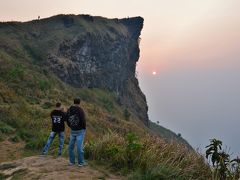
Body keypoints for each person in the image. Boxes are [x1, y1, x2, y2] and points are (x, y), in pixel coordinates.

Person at [66, 98, 86, 166]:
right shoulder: (80, 110)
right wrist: (84, 128)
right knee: (79, 147)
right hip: (80, 131)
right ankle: (81, 162)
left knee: (71, 147)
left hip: (73, 130)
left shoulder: (69, 109)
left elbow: (67, 118)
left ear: (73, 102)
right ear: (79, 102)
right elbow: (83, 120)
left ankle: (72, 162)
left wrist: (70, 126)